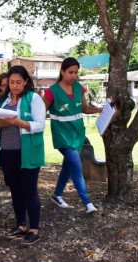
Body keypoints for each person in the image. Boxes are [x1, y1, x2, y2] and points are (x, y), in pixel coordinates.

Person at [0, 66, 46, 246]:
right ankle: (21, 225)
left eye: (18, 82)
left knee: (29, 190)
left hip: (27, 151)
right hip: (6, 150)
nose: (14, 86)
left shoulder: (34, 99)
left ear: (26, 82)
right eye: (12, 83)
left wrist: (19, 122)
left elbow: (40, 125)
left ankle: (34, 230)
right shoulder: (2, 99)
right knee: (14, 188)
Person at [43, 57, 102, 213]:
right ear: (62, 71)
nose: (73, 75)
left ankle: (56, 195)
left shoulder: (79, 89)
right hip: (62, 137)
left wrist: (101, 110)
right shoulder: (51, 92)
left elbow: (85, 109)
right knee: (76, 166)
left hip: (78, 135)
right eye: (70, 72)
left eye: (76, 72)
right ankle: (87, 203)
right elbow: (40, 111)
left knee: (68, 167)